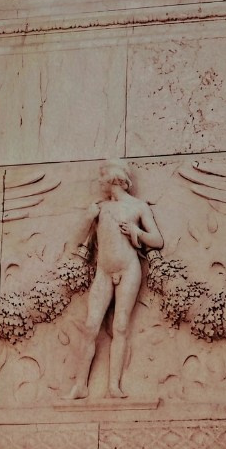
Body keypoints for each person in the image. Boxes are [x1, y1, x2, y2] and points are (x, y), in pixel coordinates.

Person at [73, 165, 163, 399]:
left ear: (114, 179)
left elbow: (157, 240)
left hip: (129, 268)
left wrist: (137, 231)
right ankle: (80, 385)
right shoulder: (100, 208)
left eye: (101, 178)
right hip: (103, 271)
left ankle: (114, 385)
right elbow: (78, 239)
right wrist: (87, 218)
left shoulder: (138, 207)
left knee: (120, 326)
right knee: (91, 326)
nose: (99, 182)